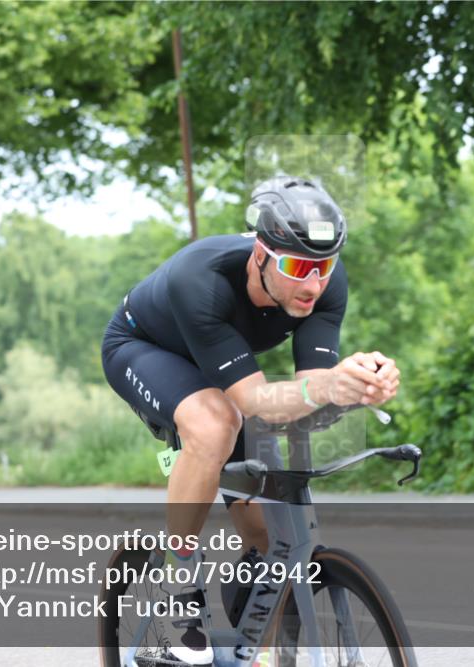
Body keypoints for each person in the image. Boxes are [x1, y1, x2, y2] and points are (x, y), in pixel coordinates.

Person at [101, 175, 400, 665]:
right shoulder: (201, 280)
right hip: (143, 349)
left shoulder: (324, 286)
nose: (313, 283)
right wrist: (324, 387)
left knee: (271, 533)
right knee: (216, 423)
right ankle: (181, 583)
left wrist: (360, 387)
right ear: (260, 254)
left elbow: (309, 397)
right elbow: (257, 400)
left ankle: (254, 629)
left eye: (324, 266)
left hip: (224, 365)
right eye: (298, 266)